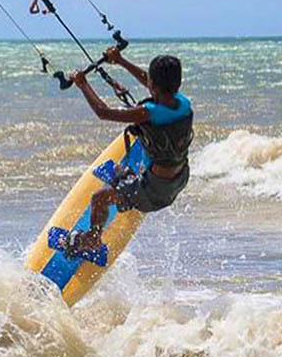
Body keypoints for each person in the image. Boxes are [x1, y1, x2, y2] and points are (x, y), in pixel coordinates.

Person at [65, 47, 193, 253]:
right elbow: (153, 84)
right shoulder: (184, 104)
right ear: (178, 84)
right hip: (180, 178)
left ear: (152, 85)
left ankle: (92, 239)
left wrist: (83, 84)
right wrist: (121, 61)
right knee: (119, 171)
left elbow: (103, 112)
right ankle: (127, 180)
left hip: (154, 192)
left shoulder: (148, 113)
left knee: (99, 198)